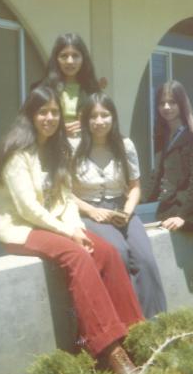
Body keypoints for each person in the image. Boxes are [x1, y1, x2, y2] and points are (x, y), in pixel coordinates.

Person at [0, 86, 144, 374]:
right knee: (77, 256)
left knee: (106, 252)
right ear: (30, 114)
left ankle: (136, 333)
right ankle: (109, 349)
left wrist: (77, 228)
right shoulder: (16, 152)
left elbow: (65, 198)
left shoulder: (56, 150)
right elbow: (28, 209)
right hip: (23, 230)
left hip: (55, 225)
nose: (49, 117)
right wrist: (69, 234)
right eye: (42, 111)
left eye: (54, 111)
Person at [71, 92, 167, 319]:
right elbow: (63, 193)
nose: (99, 121)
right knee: (119, 254)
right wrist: (92, 211)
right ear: (84, 119)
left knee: (145, 260)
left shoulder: (125, 145)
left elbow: (135, 187)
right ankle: (127, 324)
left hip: (122, 210)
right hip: (90, 213)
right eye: (93, 116)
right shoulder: (73, 147)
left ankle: (155, 324)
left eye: (105, 115)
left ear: (113, 117)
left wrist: (126, 211)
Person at [143, 80, 193, 232]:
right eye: (162, 103)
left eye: (172, 102)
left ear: (182, 104)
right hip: (166, 212)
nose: (166, 107)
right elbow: (157, 176)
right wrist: (136, 203)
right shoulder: (163, 136)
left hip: (188, 220)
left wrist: (182, 216)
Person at [39, 33, 101, 137]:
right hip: (54, 146)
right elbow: (34, 121)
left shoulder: (92, 89)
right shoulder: (46, 89)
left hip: (86, 147)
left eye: (75, 56)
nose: (70, 61)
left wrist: (87, 124)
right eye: (64, 56)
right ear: (56, 59)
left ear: (83, 59)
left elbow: (102, 119)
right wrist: (59, 130)